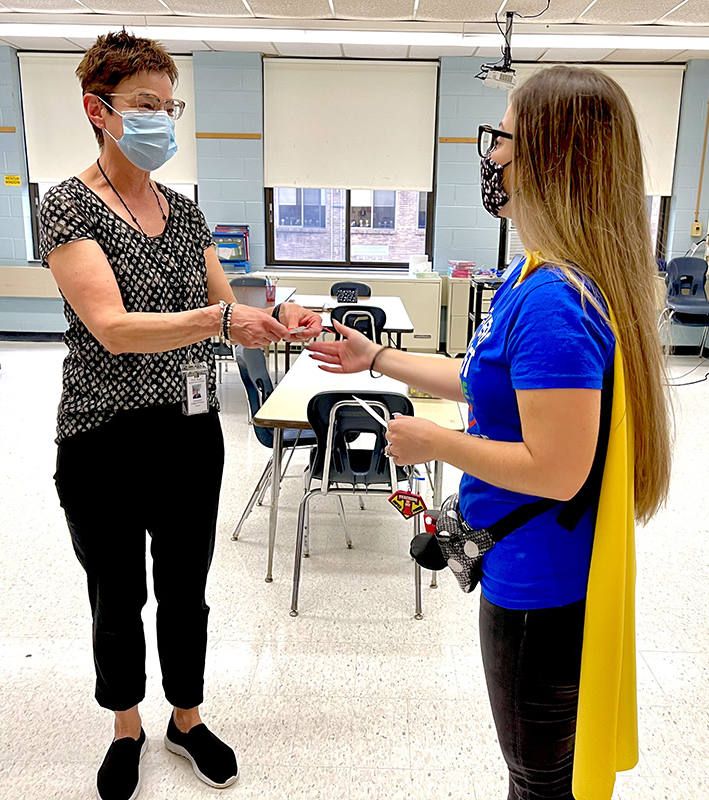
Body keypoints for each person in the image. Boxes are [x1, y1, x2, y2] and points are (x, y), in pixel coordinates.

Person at [309, 65, 671, 800]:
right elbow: (483, 378)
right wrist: (375, 357)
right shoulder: (536, 275)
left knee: (539, 782)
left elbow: (557, 469)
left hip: (541, 587)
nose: (492, 154)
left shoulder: (553, 303)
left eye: (502, 137)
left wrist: (434, 443)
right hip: (526, 566)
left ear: (552, 155)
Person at [40, 31, 321, 800]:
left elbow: (224, 309)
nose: (162, 119)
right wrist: (219, 322)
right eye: (145, 105)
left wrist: (272, 320)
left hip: (190, 432)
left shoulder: (187, 213)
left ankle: (186, 719)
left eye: (171, 106)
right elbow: (112, 326)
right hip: (102, 431)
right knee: (117, 590)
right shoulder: (66, 205)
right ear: (100, 111)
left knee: (186, 586)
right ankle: (126, 724)